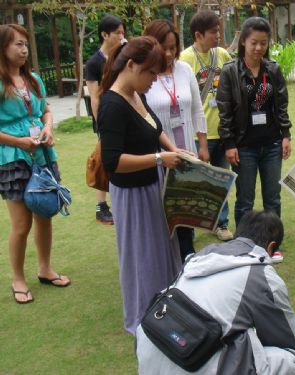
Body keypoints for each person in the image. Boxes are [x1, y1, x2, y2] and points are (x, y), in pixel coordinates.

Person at [136, 210, 295, 375]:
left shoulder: (201, 255)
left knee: (240, 336)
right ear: (271, 247)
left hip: (149, 346)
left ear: (238, 235)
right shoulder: (262, 275)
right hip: (192, 360)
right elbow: (290, 342)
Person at [98, 36, 183, 334]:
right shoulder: (112, 105)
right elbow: (113, 162)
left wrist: (175, 150)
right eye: (150, 74)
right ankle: (146, 317)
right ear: (131, 65)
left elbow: (155, 129)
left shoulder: (137, 94)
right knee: (143, 256)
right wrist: (160, 158)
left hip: (152, 184)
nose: (153, 81)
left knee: (163, 248)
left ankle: (166, 305)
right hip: (132, 194)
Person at [0, 24, 71, 304]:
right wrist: (19, 142)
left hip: (41, 155)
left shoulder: (33, 80)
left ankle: (45, 268)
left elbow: (46, 111)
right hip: (12, 159)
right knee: (21, 224)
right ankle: (17, 278)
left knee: (45, 213)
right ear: (3, 48)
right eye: (17, 44)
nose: (24, 49)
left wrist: (49, 128)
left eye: (25, 44)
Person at [217, 17, 292, 263]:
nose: (258, 48)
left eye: (263, 43)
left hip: (271, 143)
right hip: (244, 145)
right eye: (253, 43)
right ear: (243, 42)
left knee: (273, 197)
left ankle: (273, 243)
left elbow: (281, 106)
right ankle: (244, 243)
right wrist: (229, 144)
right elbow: (224, 110)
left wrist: (285, 135)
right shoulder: (230, 71)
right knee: (245, 198)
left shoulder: (273, 69)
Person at [144, 20, 208, 262]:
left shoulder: (184, 70)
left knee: (187, 207)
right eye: (164, 48)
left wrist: (202, 146)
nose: (169, 54)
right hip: (161, 156)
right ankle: (168, 260)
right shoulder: (145, 75)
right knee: (165, 211)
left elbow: (197, 110)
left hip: (187, 152)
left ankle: (188, 255)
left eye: (173, 47)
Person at [179, 10, 234, 242]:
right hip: (197, 133)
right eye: (213, 32)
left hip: (223, 132)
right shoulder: (185, 59)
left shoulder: (222, 54)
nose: (218, 36)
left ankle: (221, 224)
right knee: (198, 182)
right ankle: (191, 225)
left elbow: (233, 84)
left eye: (218, 31)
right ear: (198, 35)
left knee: (220, 181)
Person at [85, 15, 125, 225]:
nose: (122, 36)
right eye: (117, 32)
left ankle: (114, 203)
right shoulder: (94, 63)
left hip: (123, 115)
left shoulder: (121, 56)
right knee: (105, 160)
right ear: (104, 35)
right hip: (106, 119)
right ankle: (101, 206)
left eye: (122, 32)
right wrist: (102, 123)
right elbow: (94, 96)